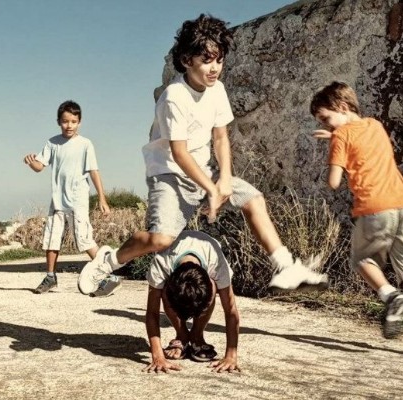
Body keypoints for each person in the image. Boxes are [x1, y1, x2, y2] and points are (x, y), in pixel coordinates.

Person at [78, 14, 328, 296]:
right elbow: (179, 152)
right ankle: (108, 261)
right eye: (207, 60)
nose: (215, 68)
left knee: (254, 200)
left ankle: (286, 267)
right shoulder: (174, 96)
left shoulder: (217, 89)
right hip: (169, 174)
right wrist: (211, 189)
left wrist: (225, 179)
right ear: (186, 60)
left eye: (219, 60)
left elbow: (220, 137)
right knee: (161, 239)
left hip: (204, 170)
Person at [310, 81, 403, 339]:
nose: (325, 125)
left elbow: (333, 182)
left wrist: (335, 146)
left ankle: (390, 295)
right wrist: (337, 137)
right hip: (400, 202)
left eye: (326, 118)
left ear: (341, 106)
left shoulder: (341, 137)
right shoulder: (375, 125)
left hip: (374, 206)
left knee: (362, 260)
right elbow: (360, 141)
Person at [24, 100, 114, 294]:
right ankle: (50, 277)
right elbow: (40, 166)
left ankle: (110, 276)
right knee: (51, 239)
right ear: (59, 121)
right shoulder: (52, 143)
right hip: (58, 201)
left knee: (84, 240)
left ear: (79, 122)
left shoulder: (85, 144)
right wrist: (31, 163)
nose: (69, 125)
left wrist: (102, 198)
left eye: (73, 121)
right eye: (65, 121)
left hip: (77, 200)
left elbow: (93, 171)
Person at [143, 230, 240, 373]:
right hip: (171, 261)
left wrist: (231, 356)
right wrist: (158, 357)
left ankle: (196, 336)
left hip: (208, 253)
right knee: (162, 289)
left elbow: (231, 310)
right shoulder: (162, 262)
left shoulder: (217, 262)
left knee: (212, 286)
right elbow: (152, 312)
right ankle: (182, 335)